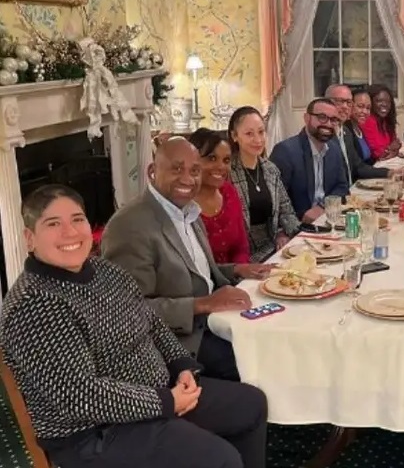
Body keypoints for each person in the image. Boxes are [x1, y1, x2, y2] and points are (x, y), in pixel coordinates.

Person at [2, 184, 268, 468]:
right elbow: (79, 395)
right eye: (53, 224)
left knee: (250, 405)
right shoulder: (33, 305)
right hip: (93, 434)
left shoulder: (106, 271)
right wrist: (165, 402)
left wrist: (182, 366)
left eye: (77, 219)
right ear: (30, 238)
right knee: (219, 459)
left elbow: (151, 322)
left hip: (156, 396)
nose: (70, 232)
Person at [102, 137, 274, 382]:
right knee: (265, 359)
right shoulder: (129, 226)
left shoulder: (188, 211)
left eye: (194, 171)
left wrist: (238, 269)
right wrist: (203, 304)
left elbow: (195, 272)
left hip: (216, 320)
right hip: (182, 342)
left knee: (280, 330)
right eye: (176, 169)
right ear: (152, 172)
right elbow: (128, 310)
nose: (187, 179)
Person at [228, 106, 301, 261]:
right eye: (249, 134)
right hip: (243, 255)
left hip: (273, 248)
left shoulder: (270, 169)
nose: (258, 140)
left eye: (261, 132)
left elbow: (286, 211)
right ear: (234, 136)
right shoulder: (227, 172)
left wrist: (284, 233)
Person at [270, 98, 350, 222]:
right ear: (307, 118)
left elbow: (342, 187)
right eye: (322, 117)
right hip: (298, 223)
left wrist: (322, 207)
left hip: (328, 216)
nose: (328, 124)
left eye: (333, 120)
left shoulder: (334, 148)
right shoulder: (286, 151)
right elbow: (276, 200)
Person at [188, 128, 250, 264]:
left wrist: (241, 271)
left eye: (226, 160)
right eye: (212, 158)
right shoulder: (183, 203)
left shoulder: (228, 192)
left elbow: (241, 247)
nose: (221, 166)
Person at [325, 84, 396, 184]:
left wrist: (390, 172)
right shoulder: (327, 134)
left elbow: (359, 165)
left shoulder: (346, 132)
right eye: (360, 106)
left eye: (368, 108)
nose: (365, 112)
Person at [359, 84, 400, 161]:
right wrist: (392, 150)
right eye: (379, 101)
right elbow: (378, 154)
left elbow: (396, 142)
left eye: (388, 102)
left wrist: (391, 149)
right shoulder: (368, 121)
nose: (384, 104)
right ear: (370, 102)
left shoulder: (385, 120)